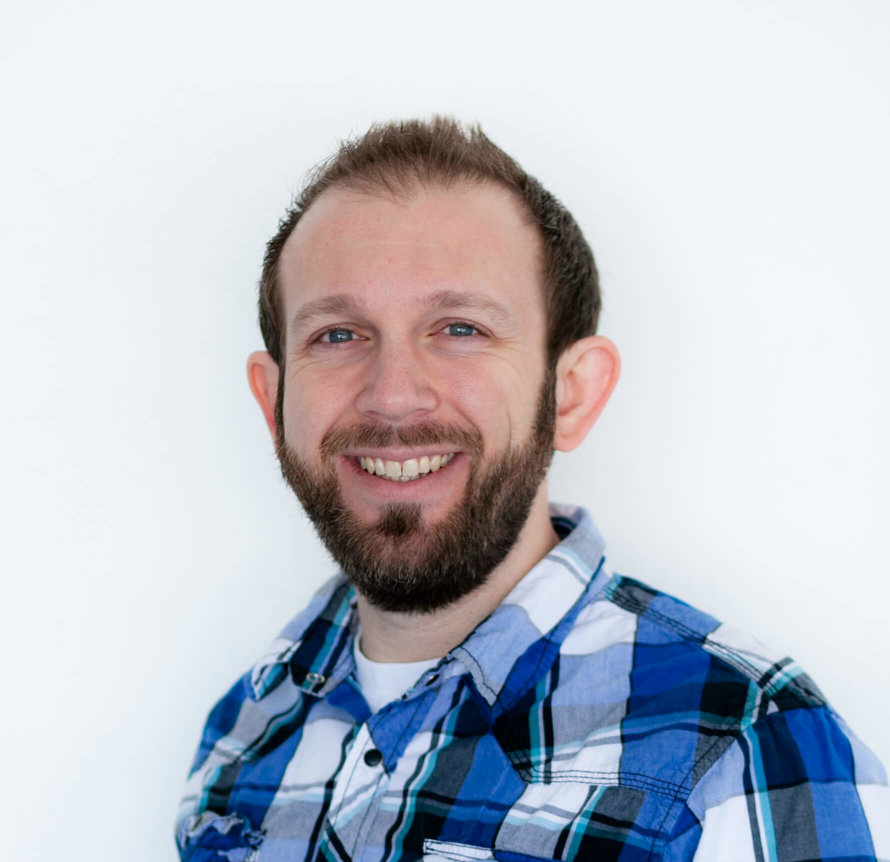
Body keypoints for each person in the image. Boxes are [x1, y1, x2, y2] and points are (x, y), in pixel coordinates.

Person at [175, 118, 888, 861]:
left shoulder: (749, 744)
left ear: (571, 394)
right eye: (338, 335)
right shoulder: (245, 731)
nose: (392, 396)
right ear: (274, 402)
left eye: (460, 329)